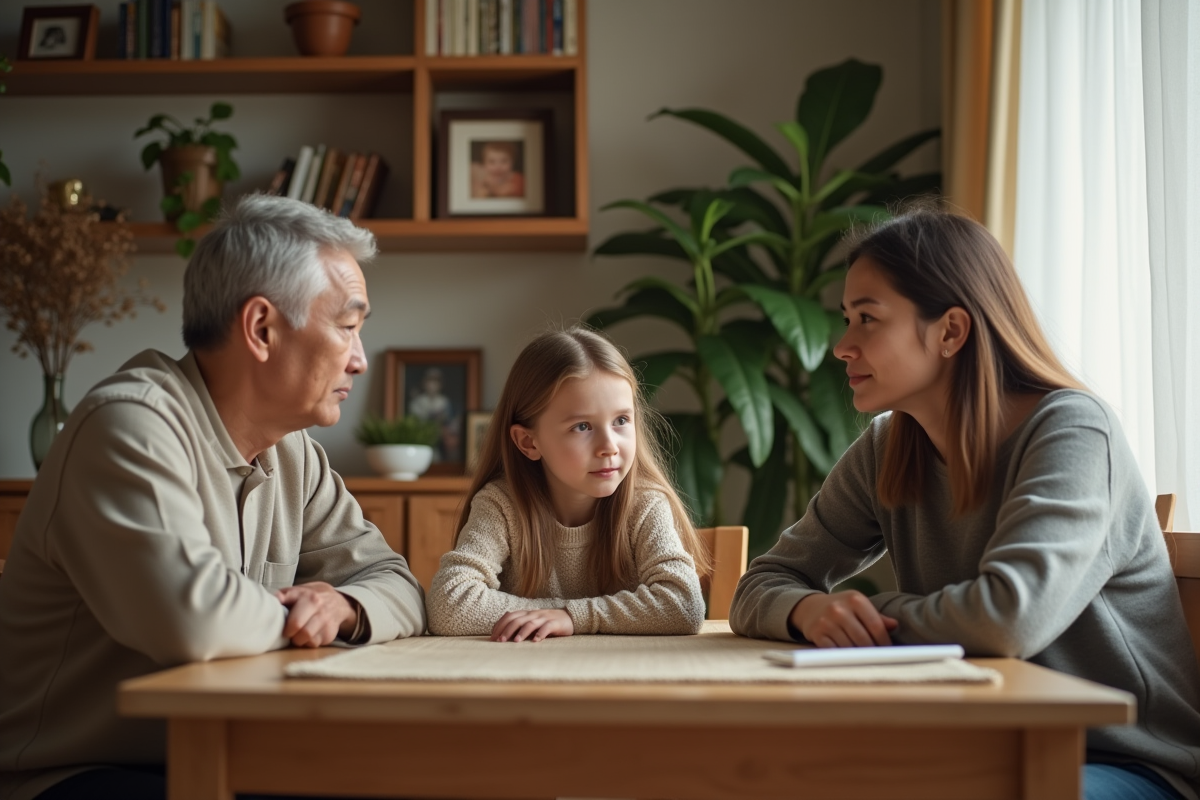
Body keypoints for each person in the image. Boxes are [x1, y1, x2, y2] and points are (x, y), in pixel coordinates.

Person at [729, 207, 1200, 800]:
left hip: (1122, 763)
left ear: (951, 331)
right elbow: (760, 585)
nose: (842, 347)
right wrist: (808, 613)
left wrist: (875, 616)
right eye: (846, 319)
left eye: (868, 320)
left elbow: (1008, 621)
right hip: (978, 751)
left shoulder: (1075, 431)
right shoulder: (888, 447)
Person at [0, 194, 427, 800]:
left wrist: (346, 609)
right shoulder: (129, 427)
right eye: (349, 326)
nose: (360, 359)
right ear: (261, 329)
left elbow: (397, 583)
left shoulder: (293, 450)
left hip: (224, 755)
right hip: (72, 773)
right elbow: (193, 619)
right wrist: (299, 617)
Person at [427, 327, 709, 641]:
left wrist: (571, 617)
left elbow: (684, 606)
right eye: (583, 426)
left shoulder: (644, 504)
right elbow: (447, 605)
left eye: (621, 421)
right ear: (528, 442)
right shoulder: (501, 504)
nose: (609, 446)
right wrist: (563, 615)